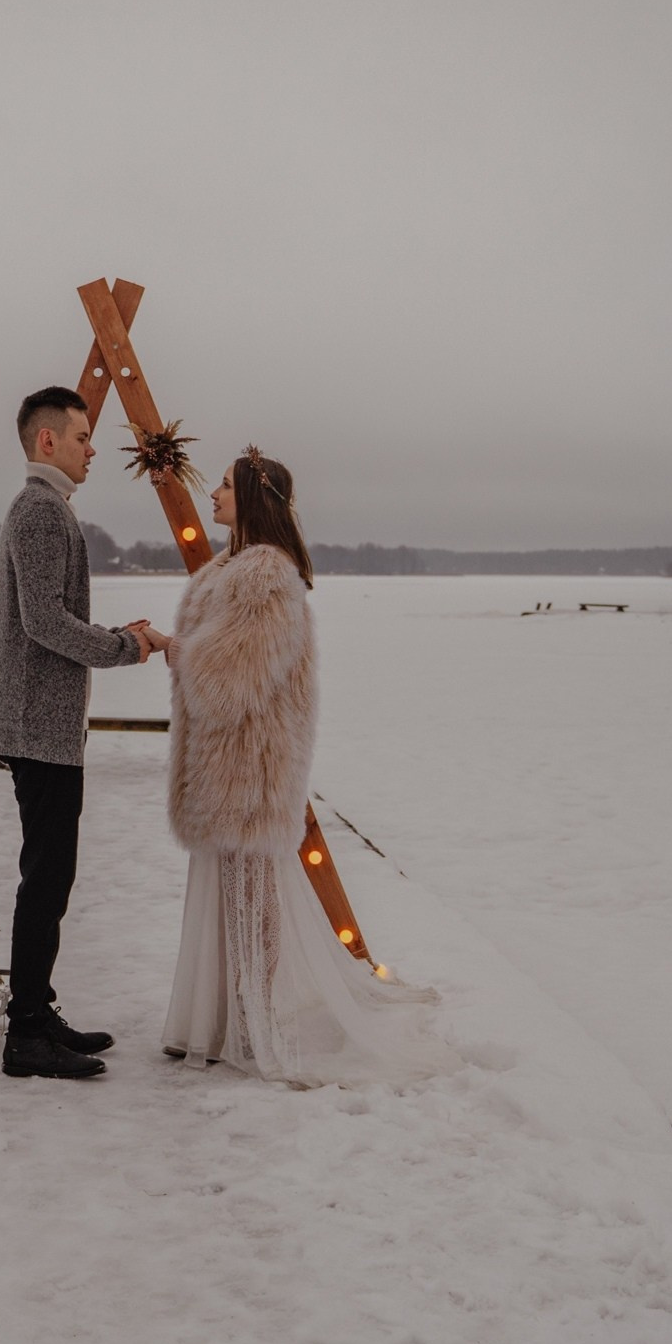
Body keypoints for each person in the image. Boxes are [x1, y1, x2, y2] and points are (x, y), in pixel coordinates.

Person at [142, 448, 456, 1086]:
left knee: (252, 896)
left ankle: (255, 1021)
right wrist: (177, 648)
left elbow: (230, 679)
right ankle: (223, 1020)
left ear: (252, 498)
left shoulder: (264, 572)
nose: (213, 496)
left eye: (225, 487)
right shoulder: (231, 567)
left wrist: (172, 649)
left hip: (250, 762)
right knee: (229, 893)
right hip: (223, 760)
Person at [0, 386, 165, 1080]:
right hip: (38, 726)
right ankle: (26, 1034)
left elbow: (47, 617)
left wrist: (117, 636)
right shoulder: (40, 510)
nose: (92, 450)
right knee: (46, 880)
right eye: (83, 437)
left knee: (50, 876)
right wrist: (125, 647)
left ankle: (37, 1009)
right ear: (47, 440)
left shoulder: (45, 508)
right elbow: (44, 622)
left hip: (41, 723)